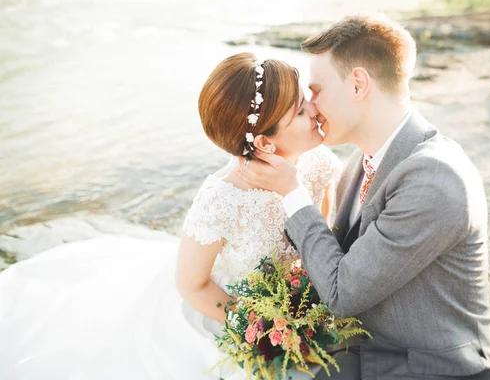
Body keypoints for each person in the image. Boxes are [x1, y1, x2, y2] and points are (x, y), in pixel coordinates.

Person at [0, 53, 341, 380]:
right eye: (299, 110)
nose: (315, 110)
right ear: (265, 144)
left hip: (289, 305)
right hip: (226, 312)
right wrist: (262, 327)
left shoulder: (319, 162)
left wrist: (307, 306)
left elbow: (319, 239)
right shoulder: (220, 201)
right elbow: (191, 285)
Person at [238, 14, 490, 380]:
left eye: (316, 91)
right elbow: (339, 258)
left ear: (358, 84)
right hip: (365, 348)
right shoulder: (360, 162)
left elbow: (342, 291)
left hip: (430, 367)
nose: (311, 106)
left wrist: (292, 192)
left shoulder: (434, 178)